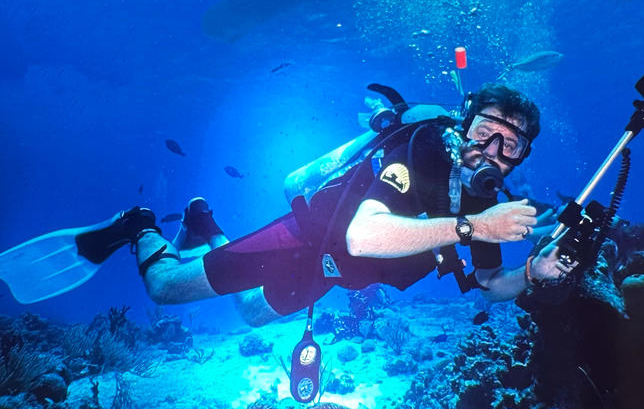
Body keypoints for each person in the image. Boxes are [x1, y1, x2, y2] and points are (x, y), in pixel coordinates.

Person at [76, 83, 578, 326]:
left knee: (251, 313)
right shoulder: (418, 152)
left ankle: (204, 221)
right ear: (463, 125)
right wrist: (474, 228)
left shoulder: (481, 200)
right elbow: (365, 234)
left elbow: (491, 286)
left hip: (333, 274)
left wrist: (532, 273)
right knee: (164, 288)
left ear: (520, 158)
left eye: (509, 147)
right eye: (484, 133)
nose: (490, 153)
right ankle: (141, 224)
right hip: (304, 240)